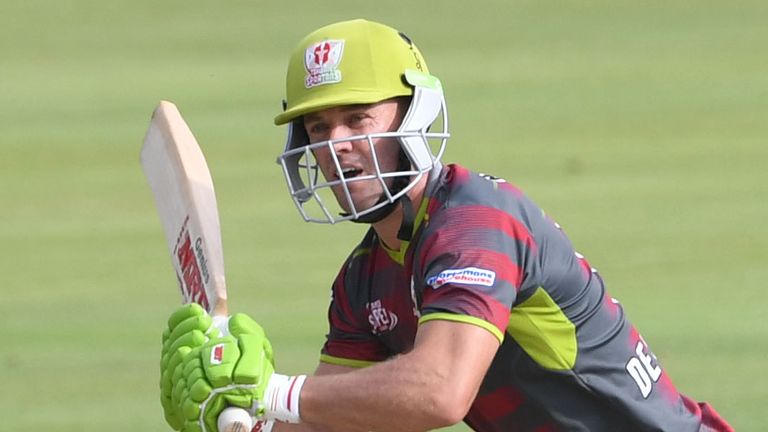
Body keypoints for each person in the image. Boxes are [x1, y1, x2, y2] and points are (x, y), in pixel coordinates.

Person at [159, 19, 734, 432]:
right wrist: (235, 413)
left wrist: (271, 390)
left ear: (415, 120)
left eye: (358, 118)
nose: (336, 147)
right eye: (317, 128)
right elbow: (327, 420)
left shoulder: (476, 223)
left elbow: (439, 393)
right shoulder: (361, 280)